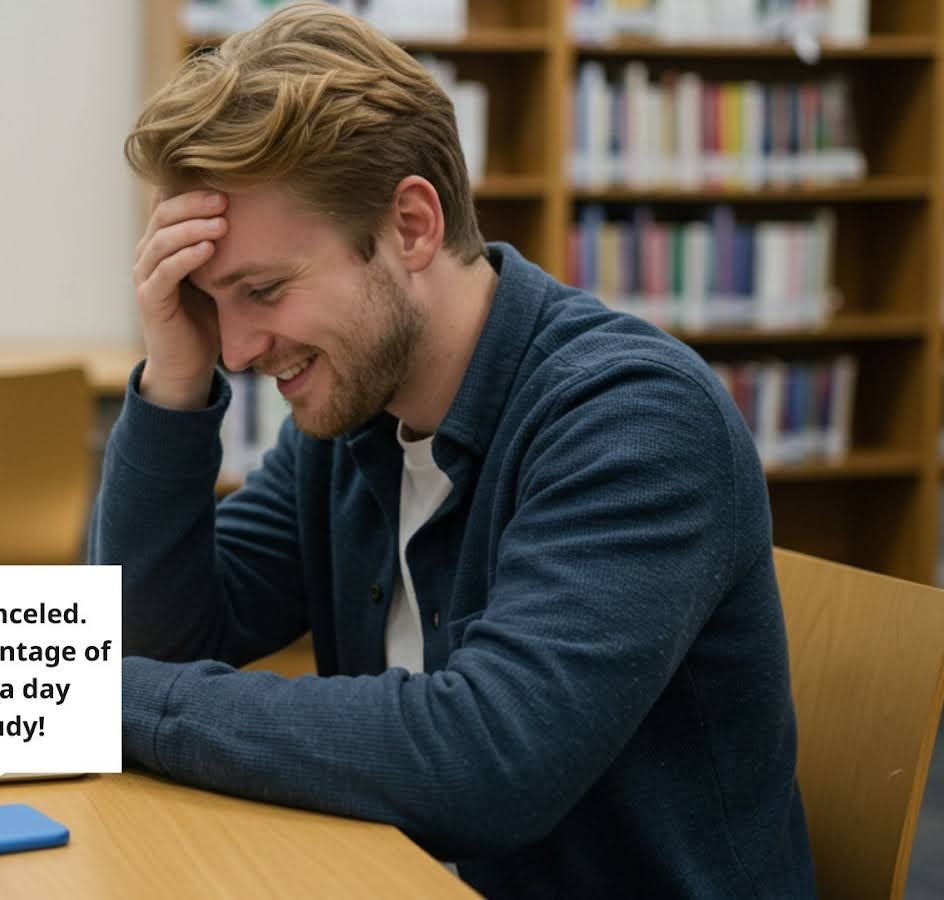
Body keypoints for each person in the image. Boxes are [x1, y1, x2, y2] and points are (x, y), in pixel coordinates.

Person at [88, 3, 815, 896]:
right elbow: (154, 642)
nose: (236, 351)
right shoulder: (355, 417)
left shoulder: (633, 419)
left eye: (263, 290)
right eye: (211, 302)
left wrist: (104, 699)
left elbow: (489, 761)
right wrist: (174, 375)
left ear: (411, 225)